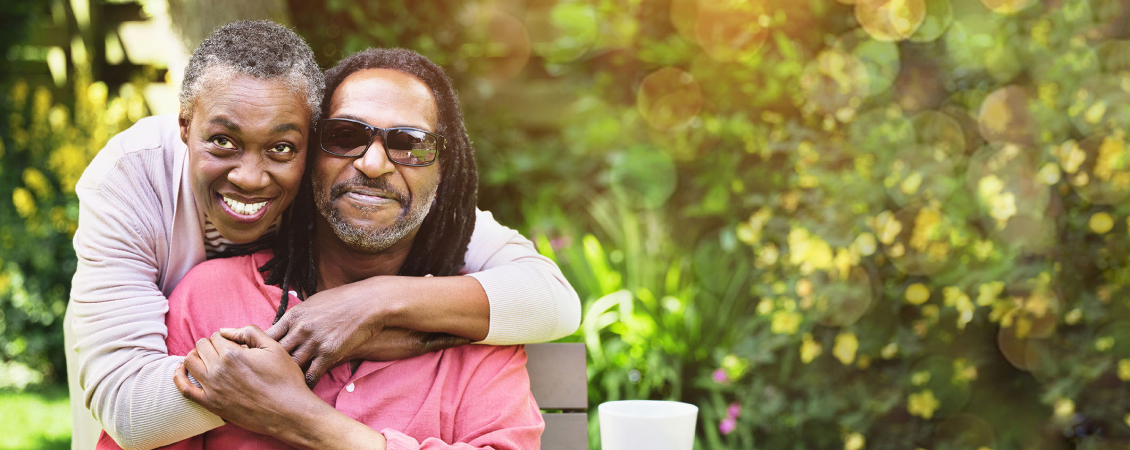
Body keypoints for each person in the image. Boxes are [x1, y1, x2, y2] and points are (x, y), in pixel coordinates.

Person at [67, 20, 577, 450]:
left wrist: (367, 311)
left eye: (410, 144)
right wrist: (298, 350)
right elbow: (130, 412)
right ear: (316, 154)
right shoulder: (196, 283)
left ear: (446, 174)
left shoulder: (473, 325)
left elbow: (554, 299)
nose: (374, 164)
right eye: (346, 136)